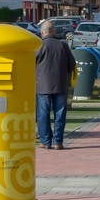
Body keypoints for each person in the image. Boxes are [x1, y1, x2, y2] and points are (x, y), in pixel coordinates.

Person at [35, 20, 76, 149]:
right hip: (61, 84)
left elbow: (31, 64)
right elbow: (72, 65)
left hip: (42, 86)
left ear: (43, 33)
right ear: (54, 31)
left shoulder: (39, 46)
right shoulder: (63, 45)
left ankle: (45, 141)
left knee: (43, 114)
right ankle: (58, 141)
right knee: (60, 113)